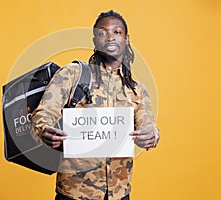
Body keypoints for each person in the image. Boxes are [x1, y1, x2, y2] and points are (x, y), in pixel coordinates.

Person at [30, 10, 160, 200]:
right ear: (94, 40)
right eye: (102, 32)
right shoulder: (72, 74)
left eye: (117, 32)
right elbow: (43, 114)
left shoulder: (136, 90)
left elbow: (149, 127)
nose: (110, 37)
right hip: (74, 193)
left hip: (120, 193)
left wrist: (151, 135)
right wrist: (44, 130)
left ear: (127, 39)